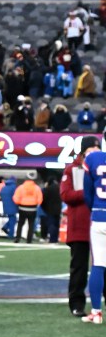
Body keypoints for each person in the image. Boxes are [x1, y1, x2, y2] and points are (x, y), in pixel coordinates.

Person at [62, 136, 97, 317]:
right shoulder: (72, 170)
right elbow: (66, 195)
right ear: (83, 152)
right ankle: (77, 304)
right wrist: (88, 191)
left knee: (102, 267)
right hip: (80, 226)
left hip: (99, 224)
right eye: (92, 149)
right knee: (79, 268)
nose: (95, 153)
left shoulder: (101, 169)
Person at [82, 135, 106, 324]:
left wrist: (95, 210)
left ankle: (96, 312)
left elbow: (87, 193)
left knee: (98, 265)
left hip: (99, 215)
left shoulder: (92, 158)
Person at [13, 176, 43, 244]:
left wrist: (19, 203)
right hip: (33, 208)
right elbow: (40, 199)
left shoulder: (21, 187)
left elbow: (16, 197)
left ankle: (17, 238)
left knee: (20, 224)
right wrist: (36, 203)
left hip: (22, 208)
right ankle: (29, 240)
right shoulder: (36, 188)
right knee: (31, 224)